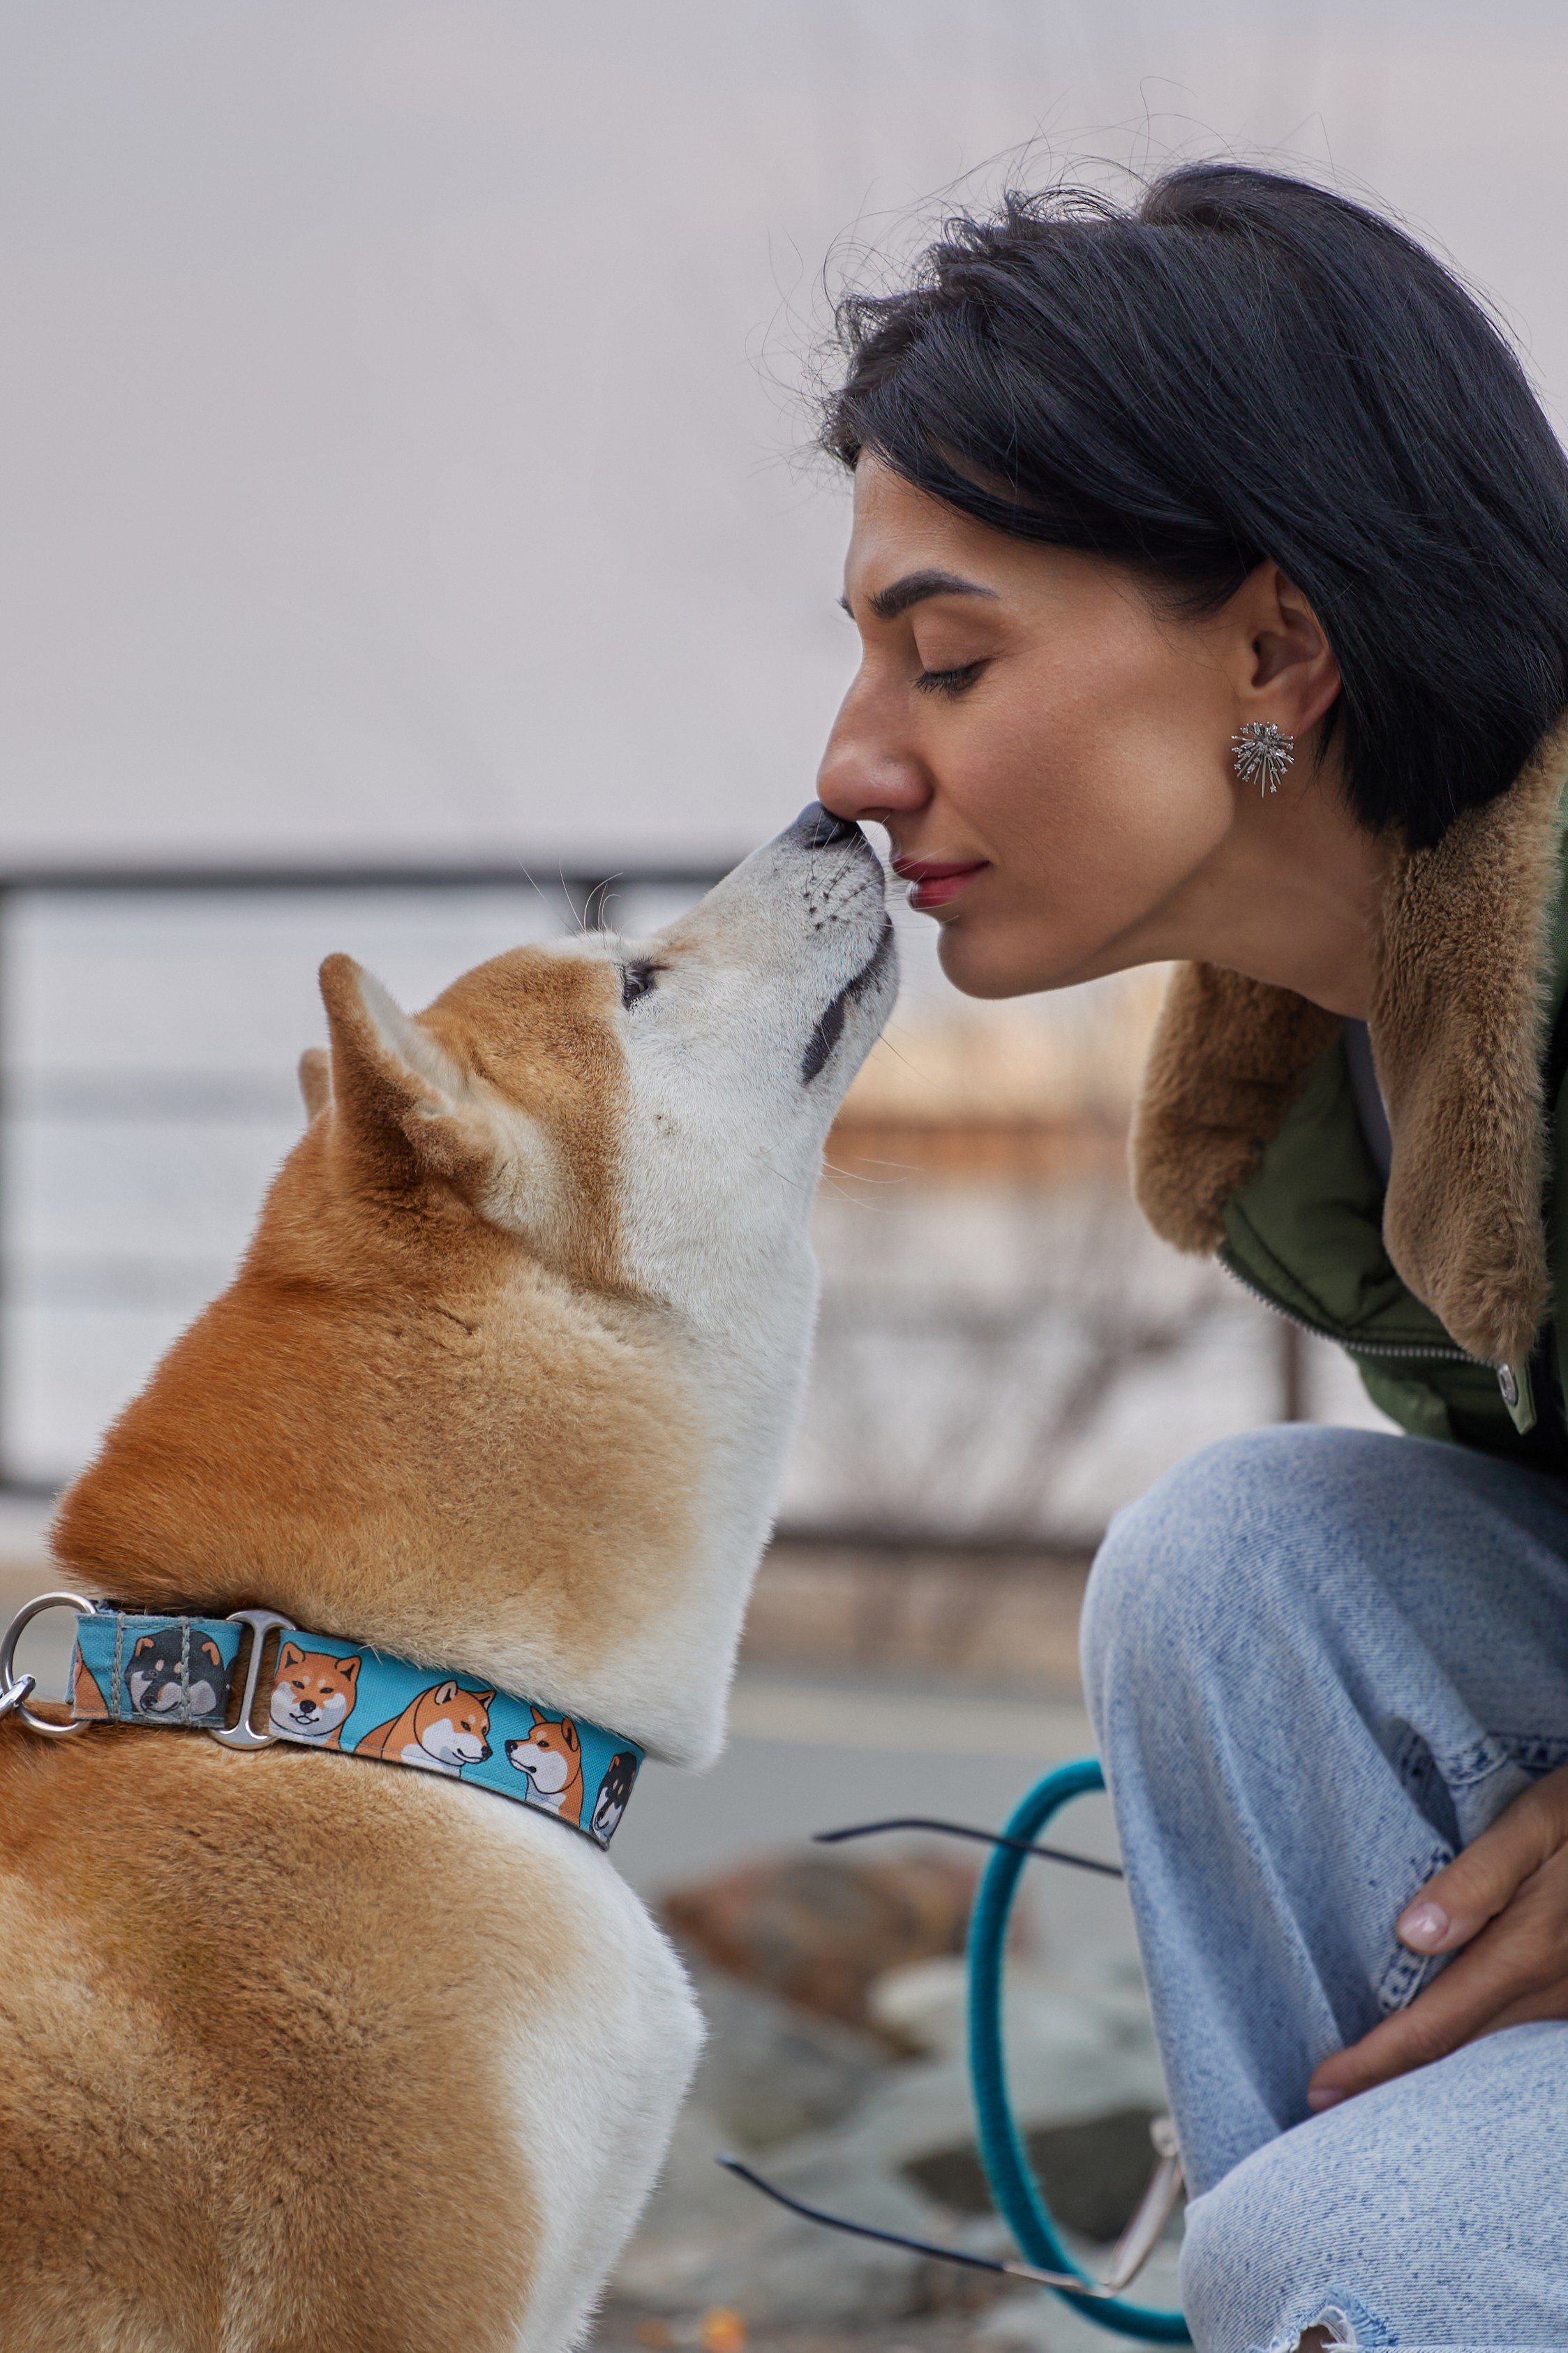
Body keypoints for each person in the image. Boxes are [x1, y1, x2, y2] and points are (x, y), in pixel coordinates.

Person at [814, 164, 1568, 2353]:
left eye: (946, 657)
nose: (853, 762)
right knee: (1235, 1549)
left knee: (1388, 2255)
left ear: (1276, 650)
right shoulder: (1349, 1103)